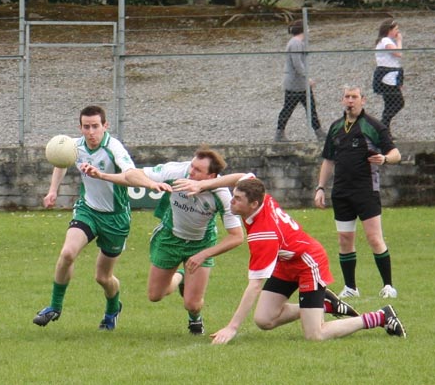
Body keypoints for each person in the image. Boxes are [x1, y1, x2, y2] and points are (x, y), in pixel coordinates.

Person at [173, 175, 406, 344]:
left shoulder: (264, 235)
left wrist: (232, 327)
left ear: (253, 204)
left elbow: (255, 285)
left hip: (308, 263)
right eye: (232, 197)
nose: (231, 202)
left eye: (237, 199)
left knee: (315, 335)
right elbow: (239, 177)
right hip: (286, 261)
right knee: (264, 320)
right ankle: (325, 304)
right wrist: (204, 184)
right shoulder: (257, 193)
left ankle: (380, 316)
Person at [33, 105, 171, 330]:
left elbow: (130, 174)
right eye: (86, 127)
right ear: (80, 127)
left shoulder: (113, 147)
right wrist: (52, 190)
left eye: (95, 126)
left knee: (103, 278)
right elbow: (62, 162)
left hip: (115, 219)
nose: (91, 132)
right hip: (88, 210)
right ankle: (54, 306)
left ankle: (112, 308)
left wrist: (150, 183)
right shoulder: (75, 146)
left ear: (105, 126)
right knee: (67, 253)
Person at [81, 146, 244, 335]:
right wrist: (103, 176)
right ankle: (181, 276)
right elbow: (132, 175)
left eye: (198, 171)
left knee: (192, 304)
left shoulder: (222, 194)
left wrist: (203, 255)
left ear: (212, 176)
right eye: (192, 166)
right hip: (169, 238)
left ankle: (195, 318)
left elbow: (237, 236)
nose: (191, 172)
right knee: (155, 296)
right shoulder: (177, 172)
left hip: (201, 244)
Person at [314, 86, 402, 299]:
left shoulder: (373, 126)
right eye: (347, 97)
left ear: (363, 100)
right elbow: (328, 160)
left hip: (366, 191)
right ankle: (351, 288)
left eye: (354, 97)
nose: (350, 101)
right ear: (342, 100)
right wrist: (320, 188)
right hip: (341, 192)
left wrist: (385, 159)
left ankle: (388, 286)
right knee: (345, 239)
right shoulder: (335, 128)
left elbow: (396, 153)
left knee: (374, 237)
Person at [275, 19, 325, 143]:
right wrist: (307, 77)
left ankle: (320, 133)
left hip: (301, 84)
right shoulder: (296, 43)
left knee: (310, 108)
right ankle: (279, 134)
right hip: (295, 84)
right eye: (307, 28)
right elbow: (297, 63)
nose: (309, 30)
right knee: (289, 108)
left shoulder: (297, 43)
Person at [373, 18, 404, 137]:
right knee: (398, 102)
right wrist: (399, 40)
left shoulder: (386, 41)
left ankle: (384, 131)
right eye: (396, 29)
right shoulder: (385, 40)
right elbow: (398, 53)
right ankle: (382, 126)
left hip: (391, 75)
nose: (398, 32)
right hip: (387, 76)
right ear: (389, 30)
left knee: (390, 104)